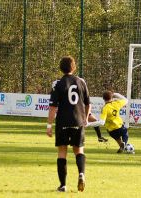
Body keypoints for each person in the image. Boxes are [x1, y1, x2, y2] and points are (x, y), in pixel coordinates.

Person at [47, 56, 89, 192]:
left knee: (62, 152)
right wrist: (86, 118)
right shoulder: (81, 82)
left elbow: (53, 107)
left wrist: (49, 125)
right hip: (78, 121)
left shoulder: (57, 84)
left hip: (63, 122)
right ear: (74, 67)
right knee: (79, 150)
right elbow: (88, 104)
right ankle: (81, 173)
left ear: (61, 68)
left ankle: (63, 185)